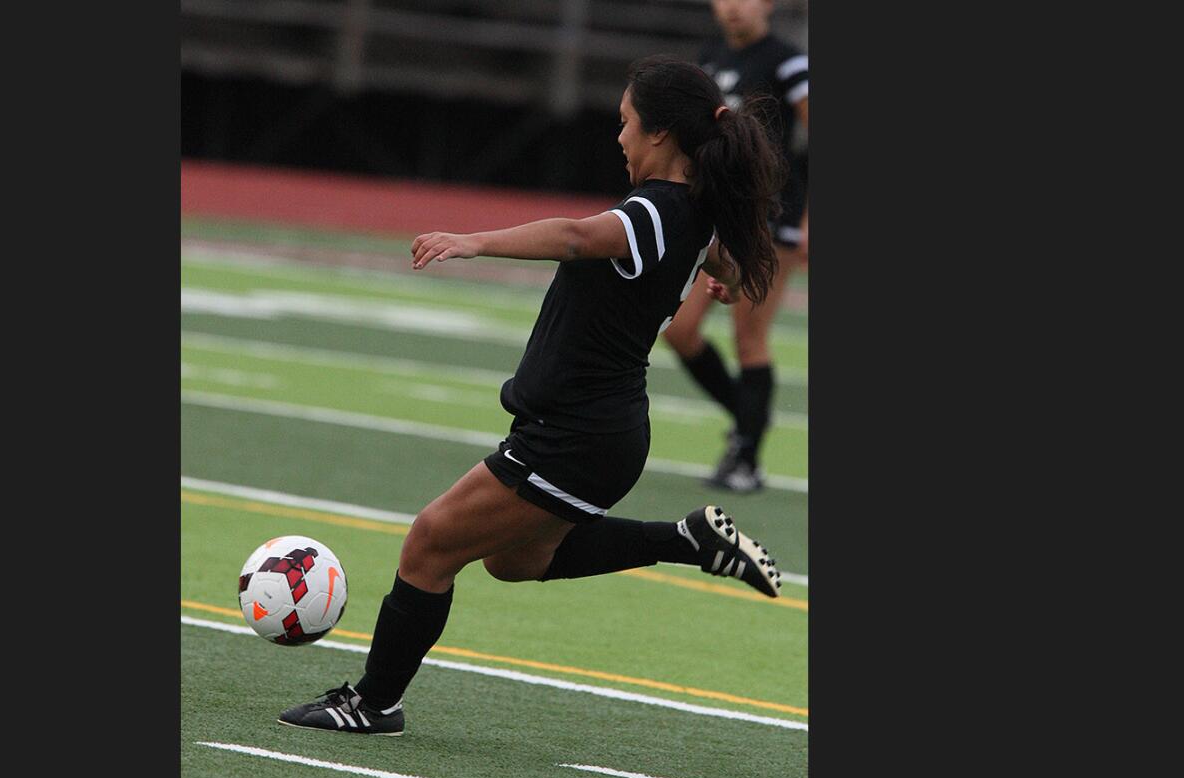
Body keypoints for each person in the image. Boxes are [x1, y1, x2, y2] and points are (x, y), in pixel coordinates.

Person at [278, 55, 787, 736]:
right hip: (598, 434)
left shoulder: (654, 212)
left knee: (430, 544)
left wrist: (473, 241)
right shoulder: (692, 215)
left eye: (626, 123)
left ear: (662, 135)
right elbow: (712, 255)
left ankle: (372, 703)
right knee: (515, 561)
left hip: (575, 434)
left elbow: (580, 237)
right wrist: (716, 273)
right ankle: (687, 539)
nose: (620, 137)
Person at [661, 0, 809, 492]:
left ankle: (745, 458)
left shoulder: (788, 62)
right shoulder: (710, 58)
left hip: (770, 221)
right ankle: (749, 420)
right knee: (679, 331)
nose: (733, 7)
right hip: (720, 219)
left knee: (749, 337)